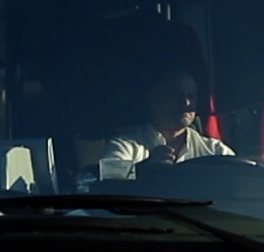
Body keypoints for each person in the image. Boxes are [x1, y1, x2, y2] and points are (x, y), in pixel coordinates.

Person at [100, 69, 234, 179]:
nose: (186, 103)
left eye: (191, 96)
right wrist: (145, 170)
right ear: (152, 99)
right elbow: (106, 177)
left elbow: (242, 178)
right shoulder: (125, 145)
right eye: (176, 95)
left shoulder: (216, 151)